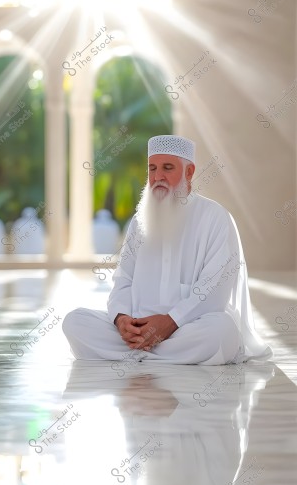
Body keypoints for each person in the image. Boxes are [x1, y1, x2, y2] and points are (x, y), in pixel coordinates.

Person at [63, 135, 272, 365]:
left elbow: (215, 290)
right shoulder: (139, 220)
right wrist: (121, 320)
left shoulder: (215, 218)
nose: (157, 177)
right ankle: (156, 354)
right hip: (138, 329)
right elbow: (123, 279)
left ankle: (137, 356)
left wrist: (171, 322)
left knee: (223, 332)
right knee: (75, 322)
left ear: (189, 172)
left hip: (187, 327)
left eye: (167, 168)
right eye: (152, 168)